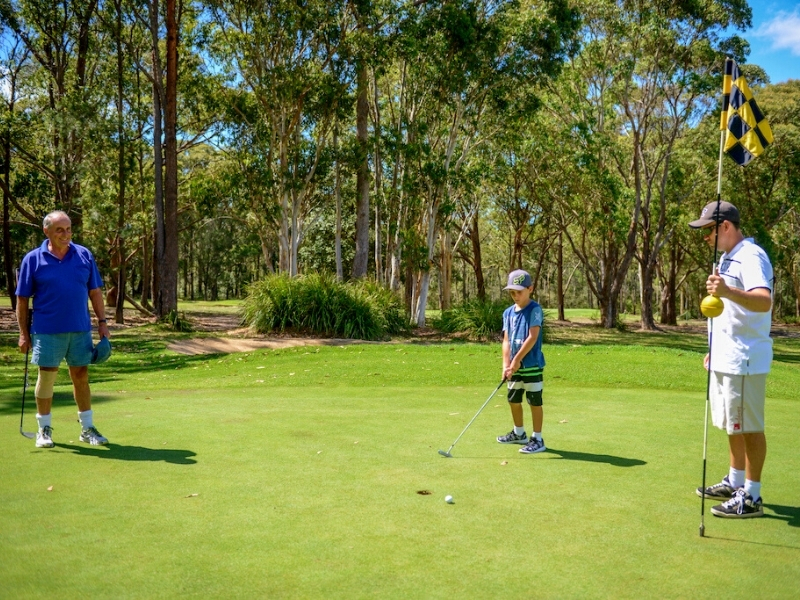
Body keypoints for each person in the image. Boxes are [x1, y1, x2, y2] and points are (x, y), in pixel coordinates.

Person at [689, 201, 773, 518]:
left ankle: (751, 495)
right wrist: (715, 347)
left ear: (725, 227)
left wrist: (727, 291)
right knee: (733, 424)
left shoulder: (751, 257)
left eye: (708, 230)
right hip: (727, 356)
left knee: (749, 426)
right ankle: (735, 481)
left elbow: (763, 301)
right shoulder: (727, 258)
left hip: (745, 358)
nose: (705, 238)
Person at [16, 210, 111, 448]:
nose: (65, 234)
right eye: (59, 229)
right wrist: (22, 334)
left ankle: (87, 428)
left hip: (80, 330)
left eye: (68, 229)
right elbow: (22, 299)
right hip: (47, 330)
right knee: (47, 377)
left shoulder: (84, 255)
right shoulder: (33, 259)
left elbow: (95, 292)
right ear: (46, 231)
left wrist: (102, 323)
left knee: (81, 376)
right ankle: (43, 430)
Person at [496, 269, 546, 454]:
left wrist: (517, 360)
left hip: (531, 365)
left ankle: (538, 439)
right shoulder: (508, 313)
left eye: (519, 291)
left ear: (530, 289)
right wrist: (506, 364)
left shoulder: (535, 310)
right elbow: (506, 340)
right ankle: (519, 434)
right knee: (513, 400)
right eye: (512, 292)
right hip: (513, 368)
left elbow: (532, 337)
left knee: (534, 402)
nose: (515, 296)